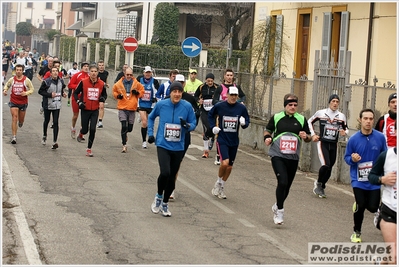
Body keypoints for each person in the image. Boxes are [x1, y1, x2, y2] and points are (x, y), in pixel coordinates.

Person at [148, 81, 196, 217]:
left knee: (172, 177)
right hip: (163, 144)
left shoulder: (187, 106)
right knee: (165, 172)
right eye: (174, 91)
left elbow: (193, 122)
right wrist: (150, 134)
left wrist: (187, 126)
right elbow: (151, 118)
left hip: (178, 146)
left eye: (179, 92)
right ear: (170, 93)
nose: (177, 94)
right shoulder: (162, 104)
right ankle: (158, 196)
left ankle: (165, 203)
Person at [264, 93, 311, 225]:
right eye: (290, 105)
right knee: (282, 182)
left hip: (293, 157)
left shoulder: (301, 119)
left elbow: (309, 138)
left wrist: (305, 136)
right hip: (277, 155)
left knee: (287, 187)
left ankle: (277, 205)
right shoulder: (277, 117)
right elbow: (268, 130)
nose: (293, 107)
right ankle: (280, 211)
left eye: (295, 105)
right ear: (285, 105)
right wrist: (267, 138)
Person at [344, 108, 387, 243]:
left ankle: (375, 209)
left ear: (373, 120)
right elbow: (346, 158)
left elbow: (385, 155)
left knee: (373, 207)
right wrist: (353, 159)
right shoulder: (354, 139)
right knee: (361, 205)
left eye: (370, 119)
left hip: (374, 179)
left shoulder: (380, 137)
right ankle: (356, 232)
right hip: (358, 179)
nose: (368, 121)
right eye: (365, 119)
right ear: (360, 120)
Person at [208, 86, 250, 199]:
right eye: (231, 95)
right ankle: (218, 182)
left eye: (235, 95)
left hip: (234, 140)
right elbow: (210, 115)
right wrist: (213, 127)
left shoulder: (241, 108)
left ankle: (222, 186)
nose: (233, 97)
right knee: (224, 163)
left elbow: (247, 121)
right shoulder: (220, 106)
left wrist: (243, 123)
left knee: (230, 167)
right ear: (227, 95)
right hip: (222, 139)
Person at [308, 94, 348, 198]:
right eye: (333, 101)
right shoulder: (321, 113)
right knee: (325, 164)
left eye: (337, 102)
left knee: (330, 168)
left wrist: (344, 132)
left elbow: (346, 128)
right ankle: (318, 184)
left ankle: (321, 184)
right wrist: (313, 135)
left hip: (334, 144)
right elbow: (309, 121)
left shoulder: (341, 116)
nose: (335, 103)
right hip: (323, 143)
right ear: (329, 102)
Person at [168, 74, 200, 200]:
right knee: (168, 163)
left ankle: (171, 188)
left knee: (176, 163)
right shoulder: (168, 98)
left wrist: (190, 125)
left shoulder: (189, 99)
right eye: (177, 82)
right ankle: (168, 186)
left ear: (184, 84)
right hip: (169, 136)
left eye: (182, 83)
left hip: (184, 136)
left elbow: (197, 113)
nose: (180, 85)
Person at [369, 139, 397, 264]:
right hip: (390, 210)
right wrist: (382, 179)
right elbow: (371, 176)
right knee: (395, 257)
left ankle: (382, 261)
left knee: (394, 255)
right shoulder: (386, 156)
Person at [212, 68, 246, 165]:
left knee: (232, 132)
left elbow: (243, 96)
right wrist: (224, 103)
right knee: (220, 134)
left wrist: (238, 102)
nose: (229, 77)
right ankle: (219, 155)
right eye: (228, 75)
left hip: (234, 114)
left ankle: (229, 153)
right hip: (222, 114)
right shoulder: (220, 87)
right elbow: (214, 101)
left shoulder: (237, 87)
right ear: (224, 76)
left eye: (231, 75)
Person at [73, 64, 107, 157]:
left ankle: (89, 149)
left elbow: (104, 95)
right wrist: (78, 102)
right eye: (92, 71)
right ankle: (81, 133)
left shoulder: (101, 83)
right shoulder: (83, 82)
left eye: (95, 71)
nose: (93, 73)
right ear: (89, 73)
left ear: (97, 73)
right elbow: (75, 93)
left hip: (95, 110)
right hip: (85, 108)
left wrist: (102, 100)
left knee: (92, 129)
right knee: (85, 129)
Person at [112, 67, 144, 152]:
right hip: (122, 107)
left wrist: (137, 93)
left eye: (130, 75)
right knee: (124, 126)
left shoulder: (136, 83)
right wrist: (118, 96)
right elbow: (114, 91)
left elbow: (142, 91)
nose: (129, 76)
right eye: (127, 74)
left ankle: (126, 133)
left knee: (129, 128)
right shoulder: (119, 83)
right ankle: (124, 145)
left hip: (132, 108)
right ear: (124, 74)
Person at [3, 64, 35, 144]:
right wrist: (5, 90)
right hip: (14, 101)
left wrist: (26, 93)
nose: (18, 71)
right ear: (15, 71)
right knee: (14, 117)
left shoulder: (26, 80)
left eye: (20, 70)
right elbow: (7, 85)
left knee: (21, 120)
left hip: (23, 102)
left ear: (22, 71)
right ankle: (14, 137)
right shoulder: (12, 79)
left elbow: (32, 89)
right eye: (17, 70)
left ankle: (21, 122)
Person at [38, 66, 67, 149]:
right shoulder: (46, 82)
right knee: (46, 121)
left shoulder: (61, 80)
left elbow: (61, 89)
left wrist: (63, 93)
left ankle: (55, 141)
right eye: (53, 71)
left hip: (57, 105)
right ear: (50, 73)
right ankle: (44, 135)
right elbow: (40, 91)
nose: (55, 72)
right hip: (48, 104)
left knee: (56, 122)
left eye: (56, 71)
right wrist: (50, 95)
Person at [194, 72, 219, 158]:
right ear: (205, 80)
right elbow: (195, 96)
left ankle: (212, 138)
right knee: (206, 128)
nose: (210, 83)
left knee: (212, 129)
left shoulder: (217, 87)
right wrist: (198, 100)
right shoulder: (201, 87)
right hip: (203, 110)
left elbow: (220, 98)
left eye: (211, 81)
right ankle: (206, 151)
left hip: (213, 111)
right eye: (208, 81)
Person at [137, 66, 160, 148]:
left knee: (150, 122)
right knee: (144, 122)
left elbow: (158, 92)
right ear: (144, 73)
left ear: (151, 73)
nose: (148, 74)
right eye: (146, 72)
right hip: (141, 103)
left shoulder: (155, 82)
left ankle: (150, 135)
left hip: (150, 105)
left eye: (149, 72)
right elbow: (135, 88)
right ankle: (144, 141)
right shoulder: (139, 80)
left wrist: (155, 98)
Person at [68, 62, 90, 139]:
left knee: (84, 116)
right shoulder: (77, 75)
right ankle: (73, 128)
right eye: (85, 66)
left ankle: (81, 133)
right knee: (75, 115)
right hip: (76, 98)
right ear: (82, 67)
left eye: (87, 66)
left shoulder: (89, 76)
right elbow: (70, 85)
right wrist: (79, 87)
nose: (86, 68)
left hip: (85, 99)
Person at [97, 60, 109, 128]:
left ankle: (100, 121)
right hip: (96, 92)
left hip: (103, 92)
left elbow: (106, 81)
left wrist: (106, 84)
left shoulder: (106, 73)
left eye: (102, 65)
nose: (101, 67)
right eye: (100, 65)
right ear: (98, 66)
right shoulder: (95, 73)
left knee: (101, 106)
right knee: (96, 108)